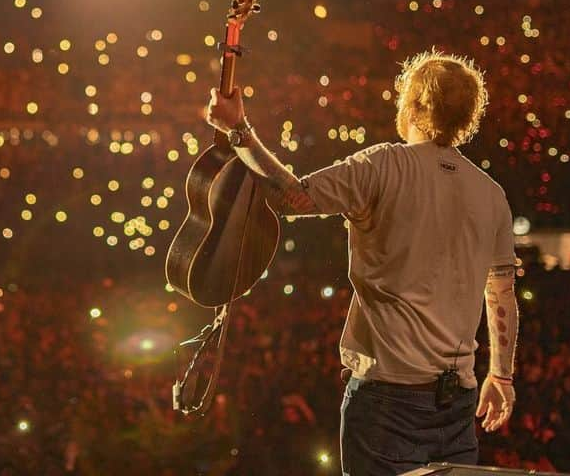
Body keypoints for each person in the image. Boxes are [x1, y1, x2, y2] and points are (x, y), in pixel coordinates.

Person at [206, 49, 519, 476]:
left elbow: (289, 197)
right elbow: (501, 293)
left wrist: (237, 128)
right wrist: (501, 376)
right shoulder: (492, 194)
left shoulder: (383, 166)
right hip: (458, 401)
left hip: (387, 401)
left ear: (413, 104)